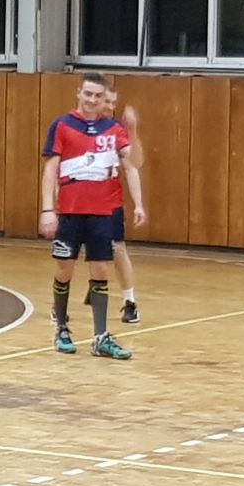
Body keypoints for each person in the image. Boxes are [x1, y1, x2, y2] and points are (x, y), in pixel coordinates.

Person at [39, 73, 146, 360]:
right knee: (65, 269)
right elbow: (50, 169)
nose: (92, 100)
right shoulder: (62, 125)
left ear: (104, 99)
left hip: (101, 213)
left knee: (100, 271)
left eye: (98, 95)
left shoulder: (114, 129)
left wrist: (133, 130)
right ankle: (62, 329)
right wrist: (48, 209)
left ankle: (101, 337)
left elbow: (133, 163)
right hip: (70, 212)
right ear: (79, 93)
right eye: (88, 93)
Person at [101, 89, 142, 324]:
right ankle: (61, 305)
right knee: (70, 253)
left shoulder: (116, 130)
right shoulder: (73, 126)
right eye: (106, 101)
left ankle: (130, 301)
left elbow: (132, 165)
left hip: (109, 202)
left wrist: (138, 205)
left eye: (112, 102)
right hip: (80, 201)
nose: (109, 106)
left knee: (118, 249)